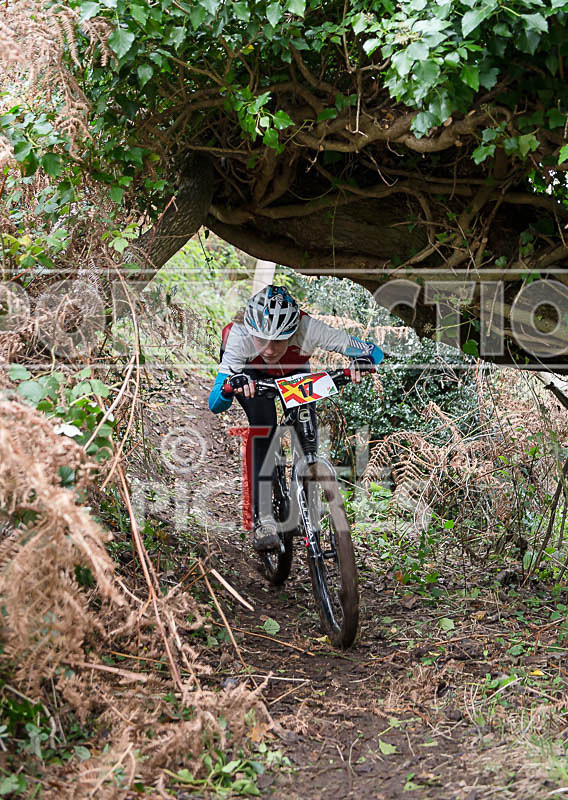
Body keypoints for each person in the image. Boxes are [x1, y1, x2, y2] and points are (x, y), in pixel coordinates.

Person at [208, 285, 384, 551]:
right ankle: (263, 517)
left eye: (279, 340)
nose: (269, 349)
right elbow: (215, 403)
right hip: (250, 377)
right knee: (264, 428)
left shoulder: (307, 328)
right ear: (251, 331)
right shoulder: (239, 336)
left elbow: (374, 352)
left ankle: (304, 492)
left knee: (306, 426)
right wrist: (231, 385)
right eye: (262, 340)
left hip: (292, 373)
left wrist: (361, 361)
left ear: (293, 330)